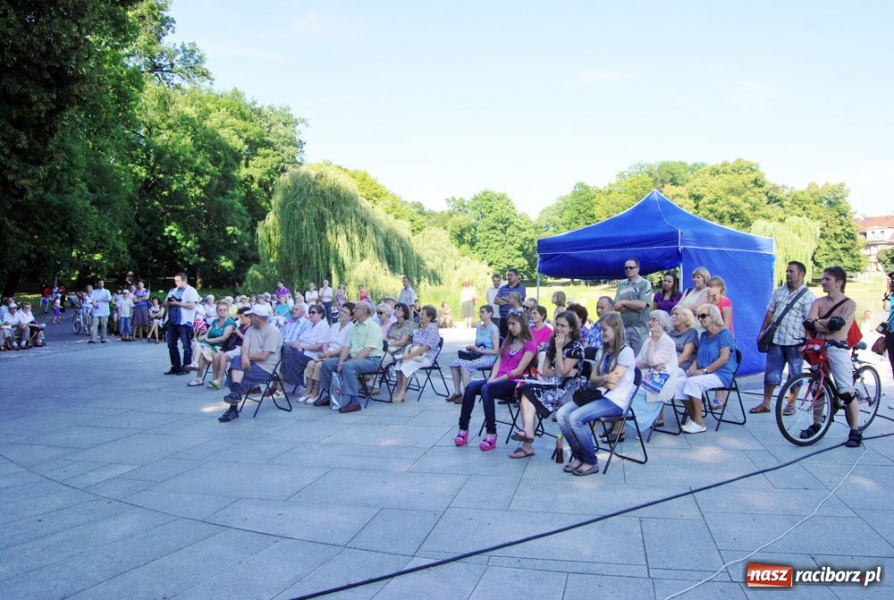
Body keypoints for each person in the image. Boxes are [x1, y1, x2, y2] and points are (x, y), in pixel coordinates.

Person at [556, 312, 636, 475]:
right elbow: (593, 380)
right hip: (598, 394)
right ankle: (578, 456)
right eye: (600, 329)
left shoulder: (625, 352)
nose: (601, 333)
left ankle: (591, 461)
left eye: (604, 330)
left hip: (615, 401)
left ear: (616, 328)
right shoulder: (604, 351)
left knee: (575, 418)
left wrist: (602, 379)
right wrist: (605, 377)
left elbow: (613, 385)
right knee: (561, 414)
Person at [454, 313, 537, 451]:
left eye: (513, 324)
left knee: (487, 389)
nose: (510, 327)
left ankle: (491, 433)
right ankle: (463, 428)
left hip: (513, 382)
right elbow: (498, 361)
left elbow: (518, 370)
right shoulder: (508, 341)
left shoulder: (530, 344)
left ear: (523, 324)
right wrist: (492, 377)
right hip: (497, 378)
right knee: (471, 387)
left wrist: (495, 381)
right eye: (509, 324)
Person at [511, 311, 584, 459]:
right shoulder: (553, 342)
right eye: (557, 324)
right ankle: (528, 433)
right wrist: (559, 371)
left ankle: (527, 443)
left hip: (568, 390)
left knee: (530, 393)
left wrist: (558, 352)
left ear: (571, 329)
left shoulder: (576, 347)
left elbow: (562, 372)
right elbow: (545, 370)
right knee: (525, 389)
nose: (558, 328)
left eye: (563, 326)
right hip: (553, 384)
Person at [802, 266, 861, 447]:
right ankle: (817, 423)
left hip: (838, 347)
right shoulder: (818, 302)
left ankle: (855, 430)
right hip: (819, 347)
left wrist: (818, 323)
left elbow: (839, 326)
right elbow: (809, 324)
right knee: (817, 387)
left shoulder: (849, 304)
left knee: (845, 391)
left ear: (839, 282)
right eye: (823, 278)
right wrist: (825, 324)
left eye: (827, 279)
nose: (823, 282)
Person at [751, 261, 815, 414]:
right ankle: (765, 403)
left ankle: (791, 404)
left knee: (795, 375)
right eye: (787, 271)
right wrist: (762, 332)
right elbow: (770, 313)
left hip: (796, 342)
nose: (787, 274)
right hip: (776, 341)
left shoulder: (808, 297)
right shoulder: (779, 291)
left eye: (791, 271)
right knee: (771, 373)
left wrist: (806, 343)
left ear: (801, 274)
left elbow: (809, 322)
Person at [673, 304, 737, 434]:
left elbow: (723, 359)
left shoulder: (724, 334)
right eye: (698, 317)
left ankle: (699, 423)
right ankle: (694, 416)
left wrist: (704, 371)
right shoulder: (703, 336)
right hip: (704, 372)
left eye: (703, 316)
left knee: (693, 382)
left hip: (721, 374)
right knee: (678, 383)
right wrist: (693, 366)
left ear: (713, 316)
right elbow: (699, 355)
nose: (700, 319)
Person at [218, 303, 283, 423]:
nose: (249, 318)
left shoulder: (273, 331)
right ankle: (236, 396)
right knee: (237, 360)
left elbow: (264, 356)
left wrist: (246, 356)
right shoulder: (251, 329)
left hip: (266, 367)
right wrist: (244, 356)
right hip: (251, 362)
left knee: (235, 373)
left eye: (251, 316)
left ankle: (233, 408)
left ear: (257, 317)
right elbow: (245, 345)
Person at [319, 302, 384, 413]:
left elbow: (367, 351)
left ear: (364, 311)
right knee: (327, 363)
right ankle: (332, 394)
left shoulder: (373, 327)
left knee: (348, 366)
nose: (353, 311)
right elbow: (346, 347)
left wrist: (346, 363)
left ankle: (354, 402)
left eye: (356, 309)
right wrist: (340, 362)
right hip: (354, 358)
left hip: (372, 360)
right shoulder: (355, 327)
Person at [304, 303, 355, 405]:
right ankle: (308, 391)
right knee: (310, 364)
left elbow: (345, 347)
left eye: (346, 312)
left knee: (319, 365)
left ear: (351, 316)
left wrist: (329, 354)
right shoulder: (335, 325)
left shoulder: (351, 328)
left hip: (340, 355)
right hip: (328, 352)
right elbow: (326, 341)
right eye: (342, 311)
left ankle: (316, 392)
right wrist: (325, 351)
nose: (342, 313)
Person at [448, 305, 500, 402]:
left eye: (483, 312)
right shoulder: (479, 327)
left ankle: (467, 395)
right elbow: (478, 344)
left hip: (489, 358)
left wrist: (480, 351)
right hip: (478, 355)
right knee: (455, 363)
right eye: (480, 312)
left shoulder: (494, 329)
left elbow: (496, 350)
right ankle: (457, 392)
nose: (480, 314)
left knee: (464, 365)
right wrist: (472, 348)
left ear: (490, 314)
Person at [391, 304, 441, 402]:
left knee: (406, 364)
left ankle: (402, 392)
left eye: (423, 314)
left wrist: (409, 356)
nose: (420, 315)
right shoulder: (421, 328)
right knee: (399, 363)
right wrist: (407, 355)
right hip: (416, 354)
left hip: (427, 357)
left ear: (430, 317)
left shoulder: (432, 329)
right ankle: (399, 391)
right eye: (420, 313)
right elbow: (414, 344)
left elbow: (425, 347)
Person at [281, 303, 330, 392]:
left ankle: (290, 382)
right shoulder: (310, 325)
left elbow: (319, 346)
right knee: (283, 348)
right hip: (301, 350)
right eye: (309, 312)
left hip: (311, 354)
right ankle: (284, 383)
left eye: (313, 312)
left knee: (286, 351)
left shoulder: (324, 327)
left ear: (320, 314)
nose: (310, 314)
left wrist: (302, 347)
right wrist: (295, 343)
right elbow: (300, 339)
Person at [188, 302, 236, 387]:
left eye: (224, 310)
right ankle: (197, 375)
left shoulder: (230, 322)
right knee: (198, 344)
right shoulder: (215, 321)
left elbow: (224, 338)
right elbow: (207, 334)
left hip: (222, 347)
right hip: (210, 345)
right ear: (217, 311)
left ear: (228, 311)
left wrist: (208, 340)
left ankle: (201, 372)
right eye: (220, 310)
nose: (222, 311)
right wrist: (202, 337)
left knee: (201, 353)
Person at [164, 272, 200, 375]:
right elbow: (165, 303)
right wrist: (169, 302)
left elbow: (192, 305)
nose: (176, 283)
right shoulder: (172, 290)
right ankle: (175, 366)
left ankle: (186, 367)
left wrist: (177, 303)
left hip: (184, 321)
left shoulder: (191, 291)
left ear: (184, 280)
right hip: (172, 321)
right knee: (171, 345)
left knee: (186, 346)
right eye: (175, 281)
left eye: (178, 281)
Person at [614, 258, 652, 354]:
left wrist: (624, 302)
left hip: (640, 328)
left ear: (638, 269)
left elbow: (642, 305)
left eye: (631, 267)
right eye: (626, 268)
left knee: (640, 359)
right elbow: (616, 306)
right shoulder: (622, 285)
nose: (628, 270)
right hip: (625, 327)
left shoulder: (645, 284)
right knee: (625, 358)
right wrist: (635, 306)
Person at [209, 307, 250, 390]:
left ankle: (220, 379)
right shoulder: (242, 326)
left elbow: (248, 340)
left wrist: (238, 333)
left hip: (242, 348)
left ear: (249, 317)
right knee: (216, 356)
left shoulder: (251, 328)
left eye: (242, 317)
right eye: (240, 318)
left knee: (223, 356)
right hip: (234, 347)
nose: (241, 320)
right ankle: (215, 378)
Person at [381, 302, 417, 370]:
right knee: (375, 357)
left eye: (398, 309)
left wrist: (388, 343)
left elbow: (402, 342)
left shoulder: (408, 325)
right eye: (395, 309)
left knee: (380, 360)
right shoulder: (393, 325)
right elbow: (388, 337)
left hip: (402, 352)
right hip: (390, 351)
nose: (395, 311)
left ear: (404, 312)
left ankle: (373, 377)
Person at [493, 269, 526, 339]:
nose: (509, 277)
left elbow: (519, 300)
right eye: (508, 275)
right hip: (504, 319)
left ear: (517, 277)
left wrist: (503, 299)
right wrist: (511, 300)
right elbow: (496, 300)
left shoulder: (521, 288)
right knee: (503, 339)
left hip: (516, 319)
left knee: (514, 338)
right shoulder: (502, 288)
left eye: (511, 275)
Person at [89, 279, 112, 344]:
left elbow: (109, 298)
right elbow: (91, 299)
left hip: (104, 310)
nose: (101, 284)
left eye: (102, 283)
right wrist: (94, 302)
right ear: (97, 284)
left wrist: (100, 299)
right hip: (96, 311)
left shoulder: (107, 291)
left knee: (104, 325)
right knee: (94, 325)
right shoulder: (94, 292)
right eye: (99, 283)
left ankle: (103, 338)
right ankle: (93, 338)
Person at [884, 272, 894, 385]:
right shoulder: (891, 295)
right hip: (891, 332)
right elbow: (886, 308)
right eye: (891, 280)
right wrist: (888, 291)